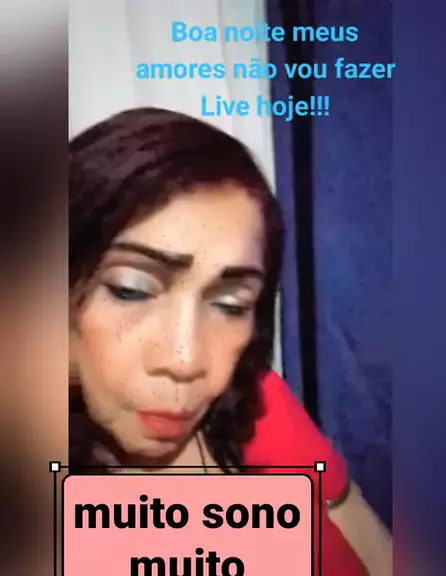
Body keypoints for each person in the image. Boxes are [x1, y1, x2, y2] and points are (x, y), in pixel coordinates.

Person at [69, 107, 391, 574]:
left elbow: (367, 540)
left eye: (230, 304)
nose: (186, 361)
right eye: (131, 290)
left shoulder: (253, 404)